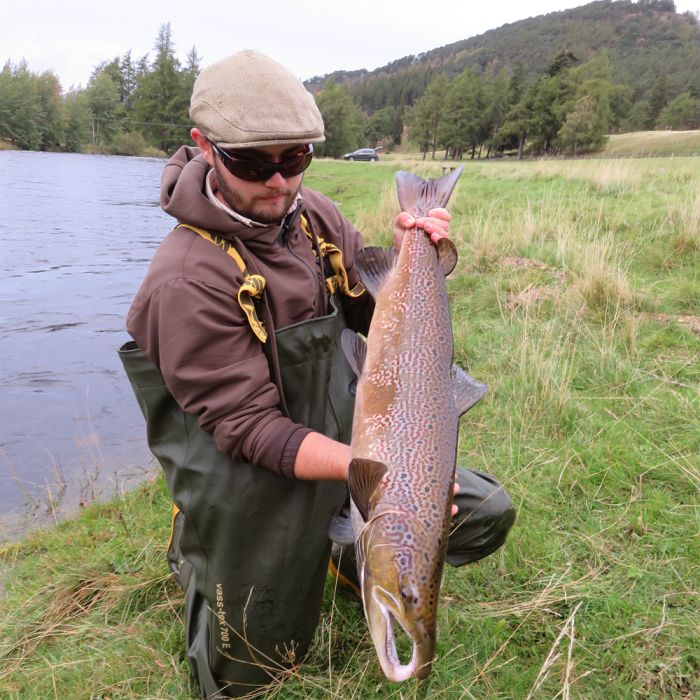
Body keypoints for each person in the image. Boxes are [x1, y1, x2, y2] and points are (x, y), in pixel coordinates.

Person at [119, 50, 515, 699]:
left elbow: (372, 312)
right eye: (254, 163)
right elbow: (249, 430)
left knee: (482, 512)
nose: (279, 181)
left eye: (296, 158)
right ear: (205, 147)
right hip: (252, 482)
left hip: (343, 452)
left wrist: (418, 257)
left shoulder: (314, 220)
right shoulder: (186, 280)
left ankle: (341, 550)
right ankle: (203, 551)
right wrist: (378, 474)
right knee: (253, 673)